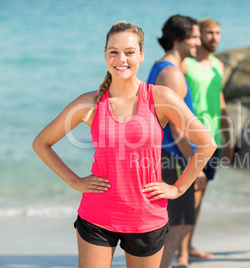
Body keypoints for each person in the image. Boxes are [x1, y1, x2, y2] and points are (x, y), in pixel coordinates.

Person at [32, 21, 216, 268]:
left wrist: (178, 189)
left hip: (147, 217)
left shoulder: (160, 97)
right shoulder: (89, 103)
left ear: (141, 55)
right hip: (97, 215)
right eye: (114, 51)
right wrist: (75, 181)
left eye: (129, 52)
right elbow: (41, 143)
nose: (122, 59)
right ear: (105, 55)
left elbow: (207, 144)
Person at [146, 14, 202, 268]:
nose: (198, 43)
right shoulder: (171, 74)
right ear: (178, 39)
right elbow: (179, 131)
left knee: (171, 224)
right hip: (171, 157)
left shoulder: (160, 67)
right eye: (194, 37)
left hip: (162, 155)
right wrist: (195, 164)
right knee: (179, 226)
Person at [177, 17, 234, 265]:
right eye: (210, 33)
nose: (215, 38)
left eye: (218, 33)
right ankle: (182, 252)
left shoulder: (218, 66)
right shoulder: (185, 65)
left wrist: (228, 138)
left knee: (199, 198)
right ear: (199, 36)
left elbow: (220, 104)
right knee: (189, 198)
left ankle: (187, 246)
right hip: (192, 141)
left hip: (215, 141)